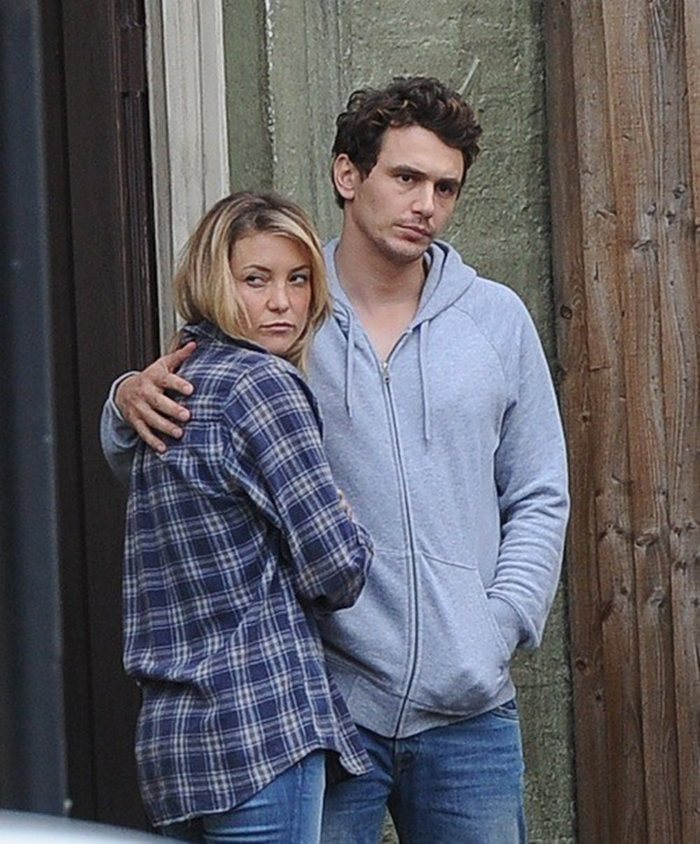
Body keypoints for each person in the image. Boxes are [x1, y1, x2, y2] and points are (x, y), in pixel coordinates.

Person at [102, 77, 570, 843]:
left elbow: (540, 492)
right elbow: (187, 452)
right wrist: (124, 399)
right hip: (329, 705)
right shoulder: (281, 314)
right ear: (348, 175)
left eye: (445, 188)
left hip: (470, 714)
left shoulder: (495, 320)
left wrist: (499, 626)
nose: (426, 205)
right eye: (406, 177)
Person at [119, 191, 374, 843]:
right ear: (214, 282)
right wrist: (346, 520)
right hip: (261, 719)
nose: (282, 302)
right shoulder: (264, 386)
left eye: (298, 279)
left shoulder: (171, 387)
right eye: (256, 280)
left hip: (177, 738)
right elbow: (337, 570)